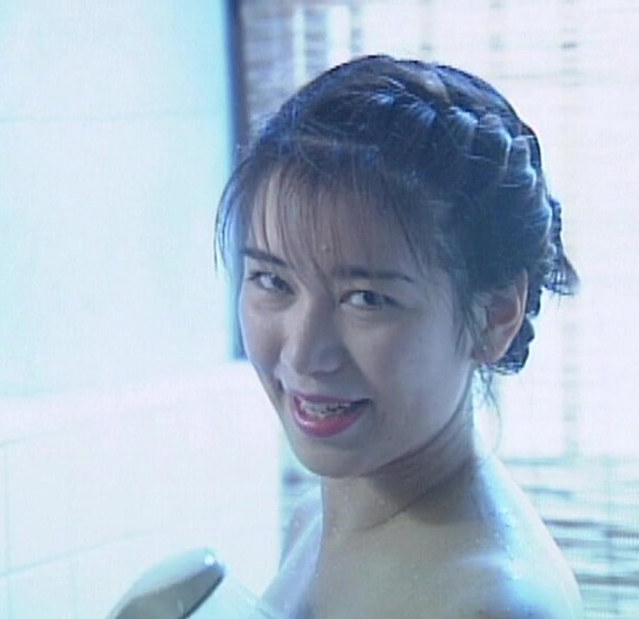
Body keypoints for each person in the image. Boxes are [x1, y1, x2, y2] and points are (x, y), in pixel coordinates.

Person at [216, 54, 582, 619]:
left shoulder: (488, 604)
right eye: (273, 281)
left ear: (494, 316)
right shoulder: (315, 522)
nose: (303, 353)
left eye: (366, 298)